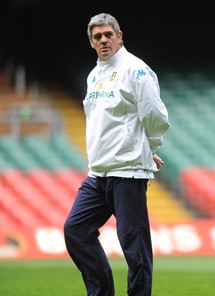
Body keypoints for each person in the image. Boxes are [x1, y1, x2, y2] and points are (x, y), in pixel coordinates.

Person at [63, 13, 170, 296]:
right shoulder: (94, 74)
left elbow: (155, 116)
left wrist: (149, 148)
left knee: (134, 248)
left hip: (128, 171)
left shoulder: (136, 70)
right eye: (97, 37)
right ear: (91, 42)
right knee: (76, 230)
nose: (103, 40)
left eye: (108, 34)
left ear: (120, 36)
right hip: (98, 172)